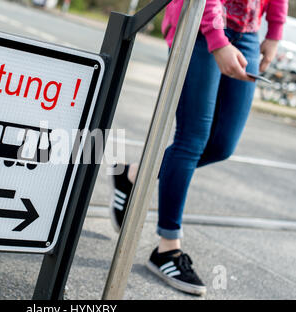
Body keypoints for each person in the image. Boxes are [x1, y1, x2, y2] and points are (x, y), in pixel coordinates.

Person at [110, 0, 288, 296]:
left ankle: (134, 174)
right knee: (191, 140)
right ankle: (167, 249)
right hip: (200, 23)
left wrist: (274, 33)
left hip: (248, 30)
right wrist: (217, 39)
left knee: (221, 145)